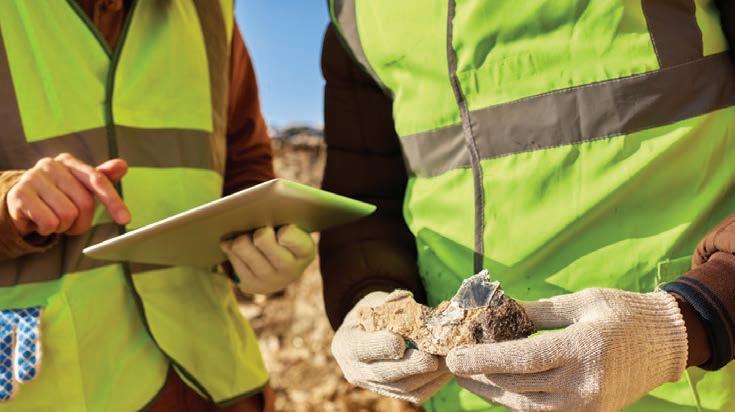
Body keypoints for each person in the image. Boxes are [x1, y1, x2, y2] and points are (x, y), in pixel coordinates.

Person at [320, 1, 735, 411]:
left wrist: (692, 315)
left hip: (689, 376)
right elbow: (366, 197)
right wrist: (367, 295)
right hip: (464, 395)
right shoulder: (353, 10)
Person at [0, 1, 314, 410]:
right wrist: (9, 199)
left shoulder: (212, 11)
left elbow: (245, 164)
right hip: (51, 385)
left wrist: (260, 247)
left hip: (215, 379)